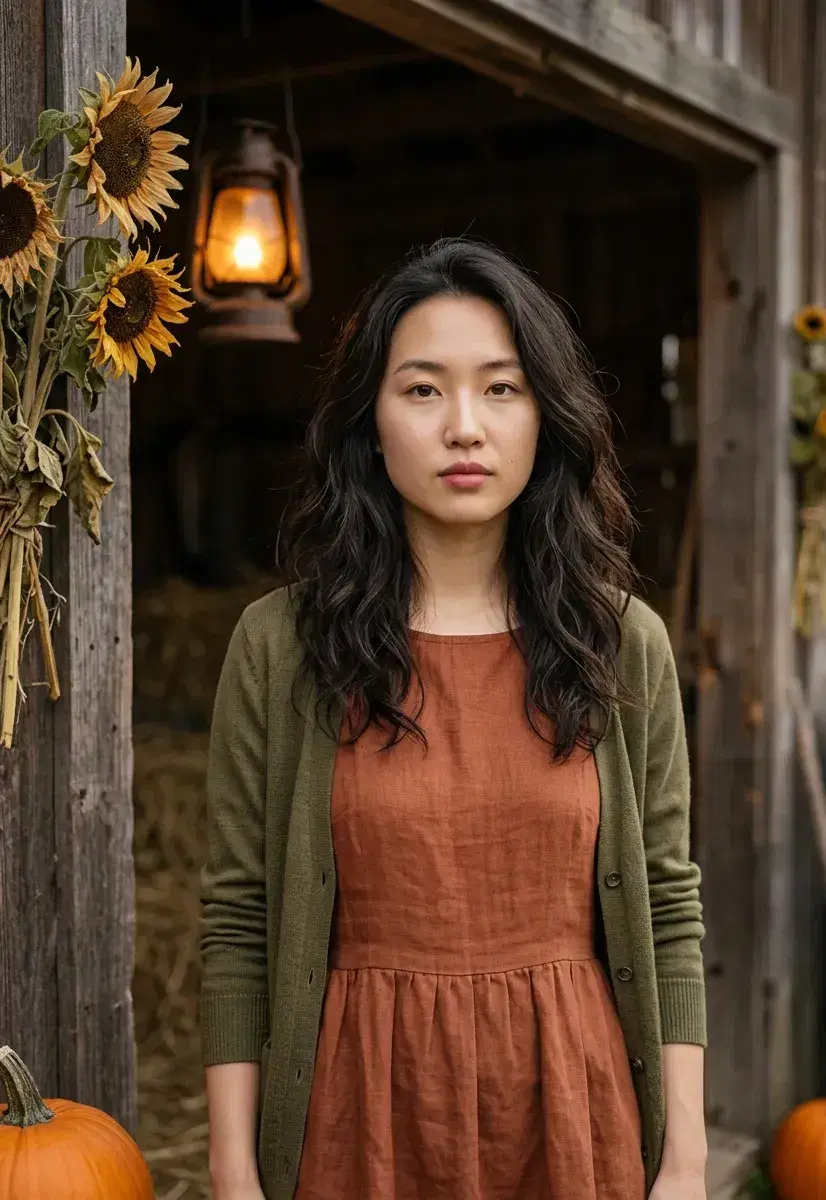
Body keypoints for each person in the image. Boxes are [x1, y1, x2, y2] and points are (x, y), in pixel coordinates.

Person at [200, 237, 707, 1200]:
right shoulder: (279, 648)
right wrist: (234, 1173)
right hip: (358, 1120)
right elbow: (236, 923)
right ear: (370, 423)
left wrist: (682, 1165)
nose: (464, 427)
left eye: (502, 389)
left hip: (573, 1114)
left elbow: (669, 905)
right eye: (424, 390)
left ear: (546, 418)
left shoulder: (622, 643)